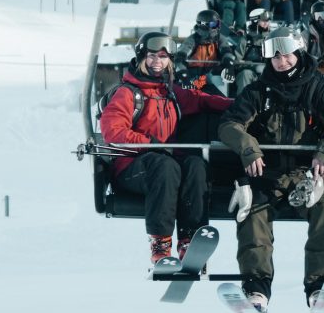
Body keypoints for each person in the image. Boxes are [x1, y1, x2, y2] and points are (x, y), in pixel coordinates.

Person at [218, 25, 324, 312]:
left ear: (298, 52)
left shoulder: (317, 89)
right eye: (275, 57)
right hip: (265, 174)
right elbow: (230, 125)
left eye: (287, 55)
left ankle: (319, 286)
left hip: (306, 175)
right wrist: (248, 147)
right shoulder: (258, 91)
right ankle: (256, 288)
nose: (282, 62)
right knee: (252, 214)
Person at [99, 32, 232, 264]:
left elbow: (199, 99)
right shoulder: (128, 93)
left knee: (195, 165)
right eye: (152, 56)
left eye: (163, 57)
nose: (157, 62)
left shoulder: (169, 92)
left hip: (164, 161)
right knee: (164, 165)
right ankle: (161, 243)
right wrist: (152, 144)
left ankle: (190, 239)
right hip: (132, 167)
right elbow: (113, 131)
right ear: (142, 57)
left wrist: (236, 104)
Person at [173, 8, 242, 94]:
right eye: (214, 24)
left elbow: (226, 51)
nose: (217, 27)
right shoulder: (193, 40)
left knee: (219, 74)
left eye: (217, 24)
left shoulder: (218, 38)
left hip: (209, 76)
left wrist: (229, 65)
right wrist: (183, 74)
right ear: (204, 25)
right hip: (194, 77)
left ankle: (222, 102)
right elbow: (179, 58)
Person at [234, 7, 272, 93]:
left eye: (268, 21)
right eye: (264, 21)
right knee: (245, 74)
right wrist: (253, 66)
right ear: (255, 22)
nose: (267, 23)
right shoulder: (245, 40)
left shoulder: (271, 38)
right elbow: (237, 61)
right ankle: (243, 103)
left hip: (267, 73)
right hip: (249, 73)